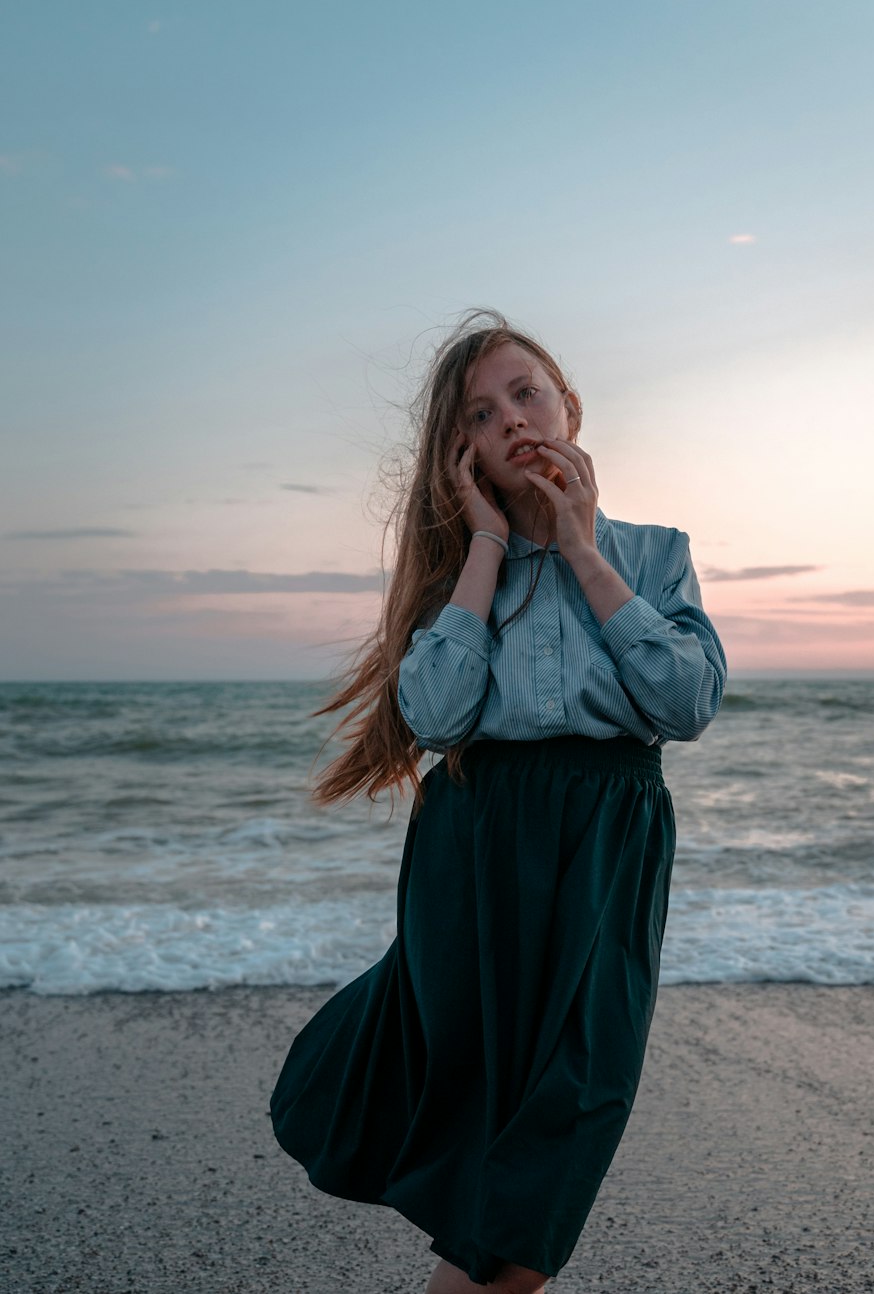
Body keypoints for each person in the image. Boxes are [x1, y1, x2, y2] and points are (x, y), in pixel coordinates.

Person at [270, 310, 727, 1293]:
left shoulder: (654, 552)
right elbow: (435, 717)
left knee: (576, 1101)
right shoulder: (458, 577)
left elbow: (685, 702)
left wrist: (577, 546)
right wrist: (486, 545)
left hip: (606, 845)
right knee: (490, 1137)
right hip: (475, 848)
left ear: (569, 403)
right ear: (462, 453)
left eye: (526, 393)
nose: (512, 419)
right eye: (481, 413)